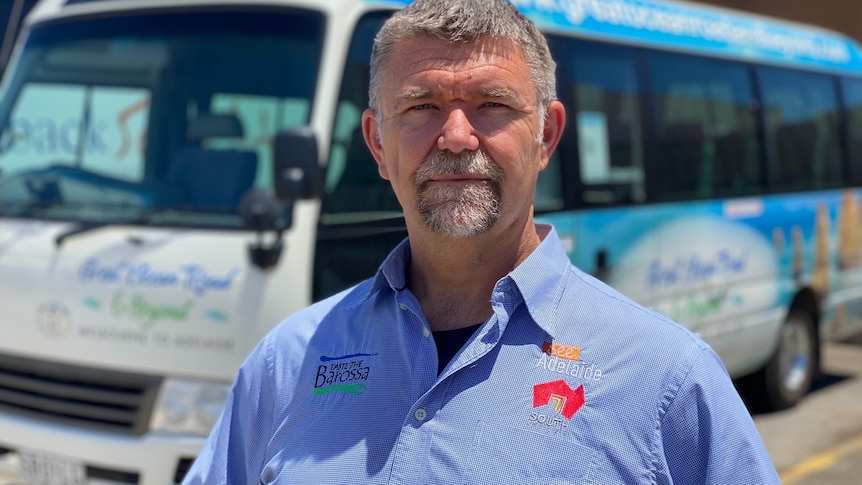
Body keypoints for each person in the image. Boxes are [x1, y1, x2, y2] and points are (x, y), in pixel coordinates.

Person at [183, 0, 782, 483]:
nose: (456, 136)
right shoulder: (287, 360)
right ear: (376, 144)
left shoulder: (669, 377)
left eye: (492, 105)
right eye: (421, 106)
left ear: (546, 136)